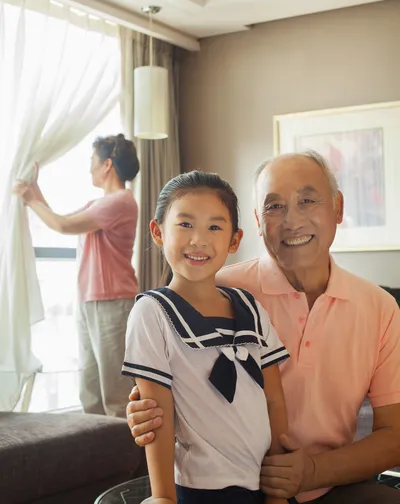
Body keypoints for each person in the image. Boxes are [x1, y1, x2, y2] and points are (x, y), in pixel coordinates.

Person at [126, 152, 400, 504]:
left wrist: (311, 472)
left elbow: (394, 436)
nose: (292, 220)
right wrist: (147, 409)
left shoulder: (379, 307)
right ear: (257, 221)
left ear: (337, 208)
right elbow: (161, 375)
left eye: (307, 201)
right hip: (220, 484)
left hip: (331, 483)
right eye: (274, 207)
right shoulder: (215, 288)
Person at [122, 170, 290, 504]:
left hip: (262, 483)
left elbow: (273, 400)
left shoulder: (251, 308)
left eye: (214, 227)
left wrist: (277, 490)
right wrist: (163, 497)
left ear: (234, 240)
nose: (199, 239)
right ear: (157, 232)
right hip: (202, 489)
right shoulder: (152, 312)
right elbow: (157, 411)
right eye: (185, 224)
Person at [14, 133, 140, 418]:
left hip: (112, 303)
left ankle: (126, 461)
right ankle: (97, 456)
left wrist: (30, 199)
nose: (89, 168)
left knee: (116, 395)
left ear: (107, 165)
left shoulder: (119, 202)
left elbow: (62, 225)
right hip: (91, 301)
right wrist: (34, 190)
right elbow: (59, 217)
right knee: (90, 390)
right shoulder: (101, 204)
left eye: (92, 162)